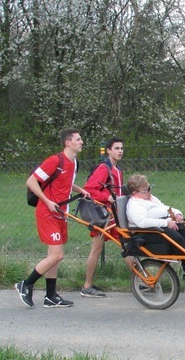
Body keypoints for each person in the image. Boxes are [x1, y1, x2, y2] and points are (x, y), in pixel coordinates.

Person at [16, 128, 90, 308]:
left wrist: (80, 190)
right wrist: (47, 201)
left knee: (54, 256)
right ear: (68, 142)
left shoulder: (73, 163)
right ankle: (26, 284)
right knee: (57, 255)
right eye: (78, 139)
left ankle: (50, 296)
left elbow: (64, 182)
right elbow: (31, 181)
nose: (81, 142)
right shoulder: (54, 161)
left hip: (61, 213)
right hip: (47, 212)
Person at [125, 174, 185, 285]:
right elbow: (142, 222)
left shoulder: (151, 199)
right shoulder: (134, 205)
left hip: (162, 228)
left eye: (149, 187)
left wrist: (177, 213)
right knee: (177, 238)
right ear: (135, 193)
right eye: (145, 190)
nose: (149, 191)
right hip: (148, 233)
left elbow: (164, 207)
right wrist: (166, 223)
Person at [80, 137, 126, 298]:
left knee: (126, 244)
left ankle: (141, 281)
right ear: (108, 150)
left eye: (121, 148)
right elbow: (89, 190)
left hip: (115, 216)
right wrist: (107, 198)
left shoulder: (118, 170)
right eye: (116, 148)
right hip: (103, 217)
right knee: (97, 249)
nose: (120, 151)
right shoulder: (104, 168)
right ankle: (87, 286)